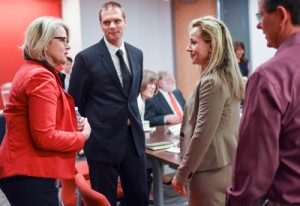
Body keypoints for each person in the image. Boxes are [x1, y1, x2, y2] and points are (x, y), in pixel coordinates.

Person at [0, 16, 91, 206]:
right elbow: (45, 136)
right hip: (28, 171)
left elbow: (42, 121)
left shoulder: (35, 71)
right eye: (63, 40)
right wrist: (82, 136)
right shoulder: (40, 77)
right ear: (45, 42)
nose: (68, 46)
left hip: (27, 169)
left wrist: (72, 125)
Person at [68, 2, 148, 206]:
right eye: (107, 22)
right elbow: (75, 102)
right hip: (102, 141)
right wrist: (84, 134)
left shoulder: (137, 54)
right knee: (104, 201)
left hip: (133, 140)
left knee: (139, 198)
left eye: (117, 20)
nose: (112, 25)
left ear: (125, 22)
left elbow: (131, 95)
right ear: (101, 25)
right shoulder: (86, 58)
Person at [227, 0, 300, 205]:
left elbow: (254, 169)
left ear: (281, 15)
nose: (258, 25)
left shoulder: (268, 76)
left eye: (260, 16)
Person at [171, 16, 244, 206]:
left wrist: (181, 174)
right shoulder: (225, 77)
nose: (188, 48)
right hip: (223, 167)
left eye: (193, 42)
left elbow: (202, 135)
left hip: (209, 173)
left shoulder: (212, 82)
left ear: (211, 45)